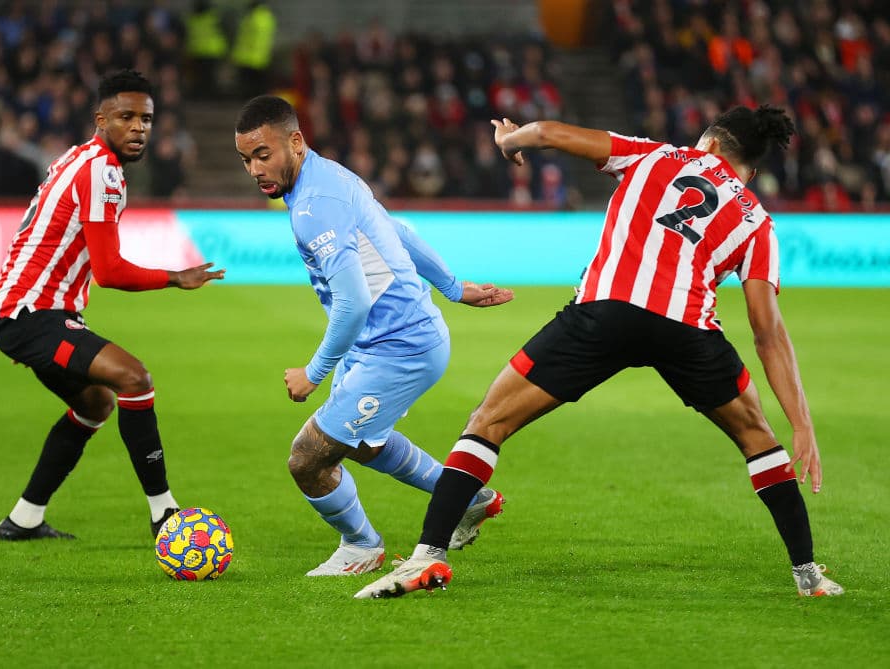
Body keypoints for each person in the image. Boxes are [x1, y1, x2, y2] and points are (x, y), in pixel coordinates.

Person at [356, 105, 845, 598]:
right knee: (758, 438)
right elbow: (768, 331)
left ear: (712, 143)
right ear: (752, 171)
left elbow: (548, 132)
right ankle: (808, 575)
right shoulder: (758, 222)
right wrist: (801, 423)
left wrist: (511, 141)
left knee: (489, 421)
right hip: (687, 329)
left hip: (605, 312)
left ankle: (427, 558)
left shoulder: (655, 155)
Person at [233, 95, 514, 576]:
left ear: (295, 142)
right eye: (246, 159)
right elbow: (397, 229)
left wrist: (313, 373)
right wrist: (449, 287)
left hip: (399, 346)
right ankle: (468, 498)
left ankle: (361, 547)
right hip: (387, 341)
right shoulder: (330, 176)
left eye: (264, 154)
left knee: (308, 458)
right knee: (363, 443)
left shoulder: (313, 207)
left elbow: (353, 302)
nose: (255, 169)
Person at [0, 70, 226, 541]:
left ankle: (24, 519)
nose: (139, 127)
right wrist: (176, 277)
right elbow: (110, 271)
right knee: (134, 378)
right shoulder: (101, 170)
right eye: (126, 117)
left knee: (95, 404)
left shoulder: (80, 158)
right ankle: (164, 514)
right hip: (32, 315)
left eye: (147, 119)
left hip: (27, 312)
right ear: (102, 118)